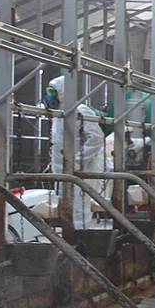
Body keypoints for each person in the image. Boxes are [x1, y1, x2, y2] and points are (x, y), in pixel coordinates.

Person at [46, 75, 106, 228]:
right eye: (49, 93)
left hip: (80, 171)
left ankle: (80, 239)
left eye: (53, 93)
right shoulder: (58, 115)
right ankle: (67, 238)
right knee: (65, 209)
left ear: (63, 92)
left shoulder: (81, 110)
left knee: (79, 211)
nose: (50, 97)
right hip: (61, 171)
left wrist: (79, 160)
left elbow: (96, 137)